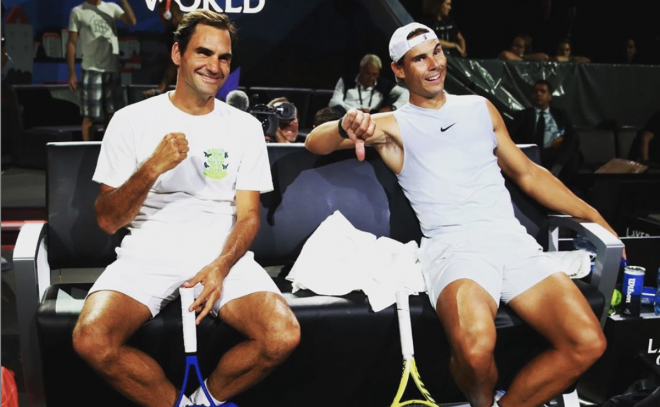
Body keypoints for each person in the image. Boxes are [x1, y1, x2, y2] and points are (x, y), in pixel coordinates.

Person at [306, 22, 620, 407]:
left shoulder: (480, 108)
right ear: (399, 71)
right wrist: (344, 123)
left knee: (587, 342)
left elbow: (527, 173)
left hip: (512, 243)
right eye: (419, 58)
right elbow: (315, 142)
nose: (433, 63)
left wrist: (594, 216)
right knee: (474, 352)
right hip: (454, 249)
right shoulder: (392, 124)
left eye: (436, 51)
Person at [72, 10, 300, 407]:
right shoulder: (130, 121)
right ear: (178, 53)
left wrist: (221, 266)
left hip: (220, 252)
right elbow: (108, 220)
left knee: (282, 334)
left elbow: (248, 215)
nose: (215, 67)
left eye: (224, 58)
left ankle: (204, 400)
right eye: (204, 53)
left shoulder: (244, 127)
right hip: (147, 251)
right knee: (91, 338)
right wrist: (152, 167)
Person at [67, 0, 137, 142]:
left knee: (111, 115)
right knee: (89, 116)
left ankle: (108, 152)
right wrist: (71, 72)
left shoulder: (111, 7)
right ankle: (86, 150)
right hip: (91, 68)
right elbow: (71, 42)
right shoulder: (78, 11)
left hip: (111, 68)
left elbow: (131, 21)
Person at [508, 79, 581, 184]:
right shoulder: (523, 115)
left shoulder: (560, 114)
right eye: (536, 91)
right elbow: (511, 135)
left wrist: (563, 140)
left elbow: (571, 135)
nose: (538, 94)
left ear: (550, 96)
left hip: (557, 153)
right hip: (533, 153)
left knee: (572, 138)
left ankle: (557, 169)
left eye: (543, 91)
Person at [329, 54, 409, 114]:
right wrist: (352, 110)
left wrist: (393, 107)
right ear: (361, 70)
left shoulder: (384, 84)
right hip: (347, 116)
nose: (371, 78)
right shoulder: (346, 80)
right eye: (367, 73)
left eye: (374, 74)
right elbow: (334, 101)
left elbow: (406, 93)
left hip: (373, 121)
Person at [143, 0, 184, 98]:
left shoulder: (190, 29)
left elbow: (175, 62)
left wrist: (161, 88)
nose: (161, 21)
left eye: (162, 16)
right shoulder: (170, 32)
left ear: (169, 15)